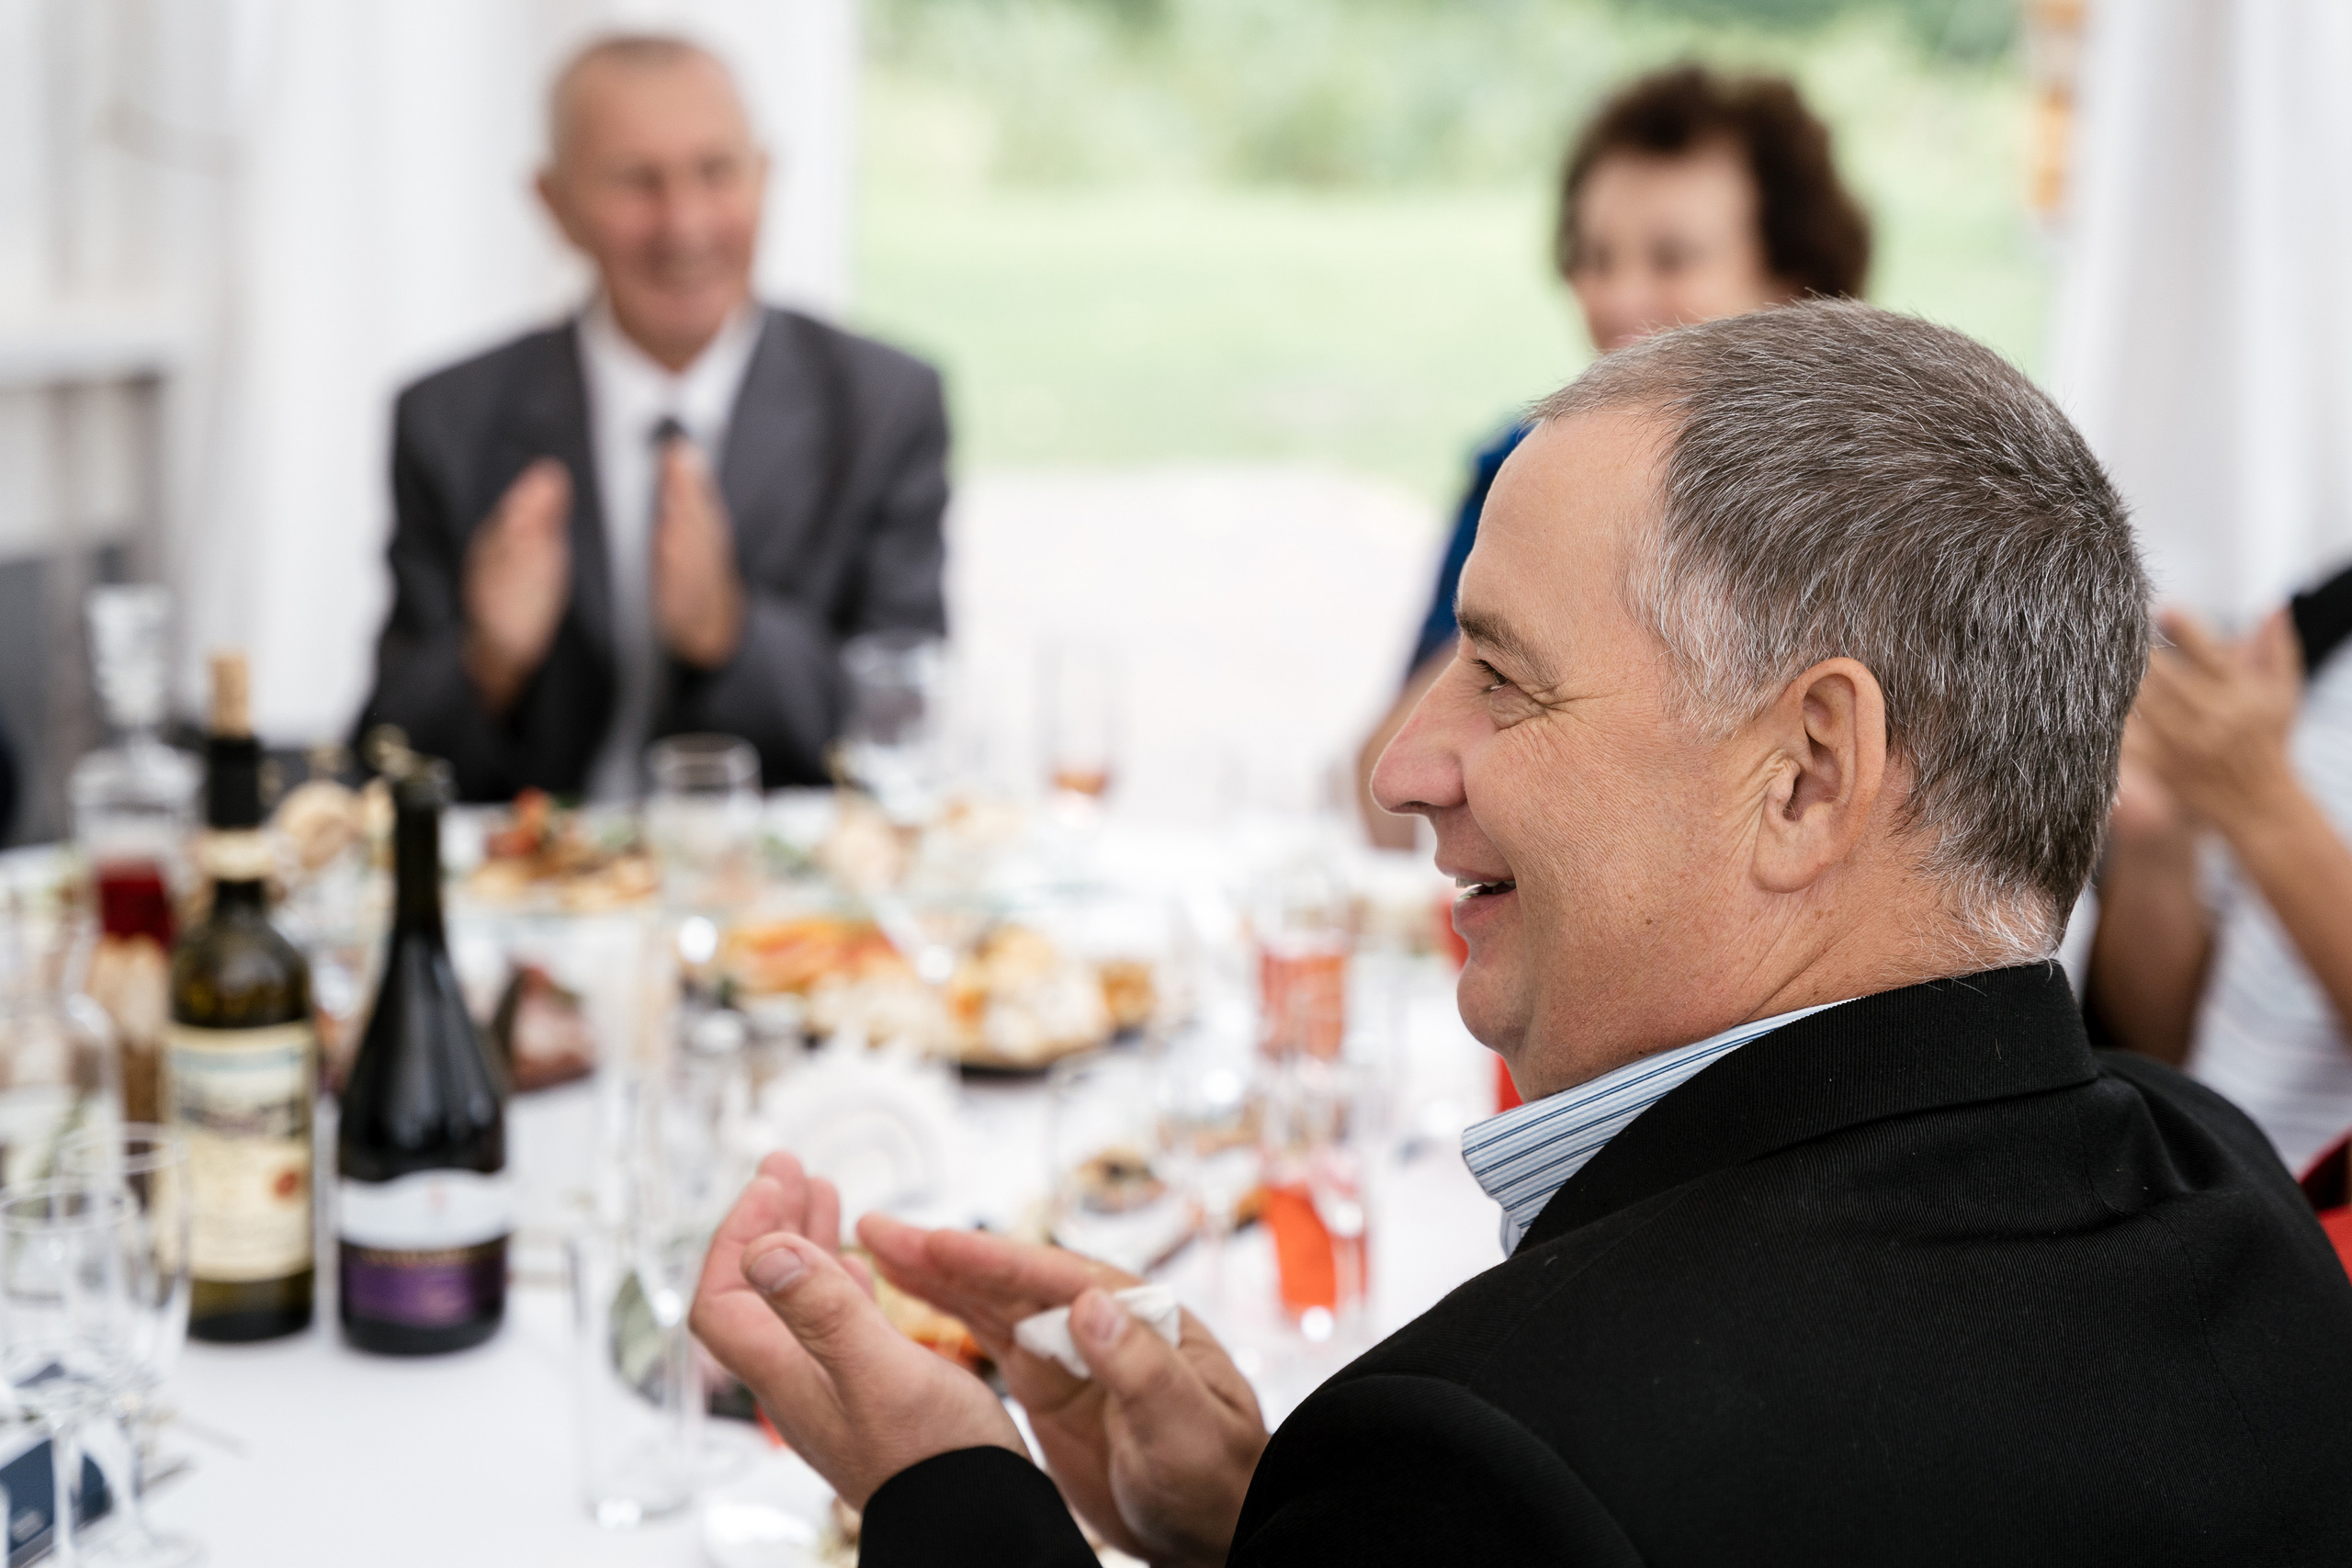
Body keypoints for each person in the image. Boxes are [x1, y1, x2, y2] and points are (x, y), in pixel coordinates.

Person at [690, 304, 2352, 1564]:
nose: (1409, 767)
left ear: (1808, 775)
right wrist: (1274, 1526)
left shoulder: (1491, 1444)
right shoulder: (2238, 1205)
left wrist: (951, 1489)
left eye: (1505, 673)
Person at [358, 34, 948, 801]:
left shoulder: (882, 406)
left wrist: (730, 631)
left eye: (716, 172)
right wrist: (488, 660)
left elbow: (903, 728)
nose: (685, 225)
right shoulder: (449, 418)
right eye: (638, 182)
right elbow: (382, 761)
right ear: (556, 204)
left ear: (765, 179)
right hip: (537, 891)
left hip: (782, 906)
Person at [1359, 65, 1870, 846]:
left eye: (1672, 258)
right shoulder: (1520, 470)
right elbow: (1380, 799)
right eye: (1595, 258)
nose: (1619, 298)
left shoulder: (1870, 505)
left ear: (1792, 280)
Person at [2089, 563, 2352, 1177]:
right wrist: (2160, 843)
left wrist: (2261, 804)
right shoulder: (2328, 619)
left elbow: (2256, 799)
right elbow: (2170, 1045)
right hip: (2219, 1204)